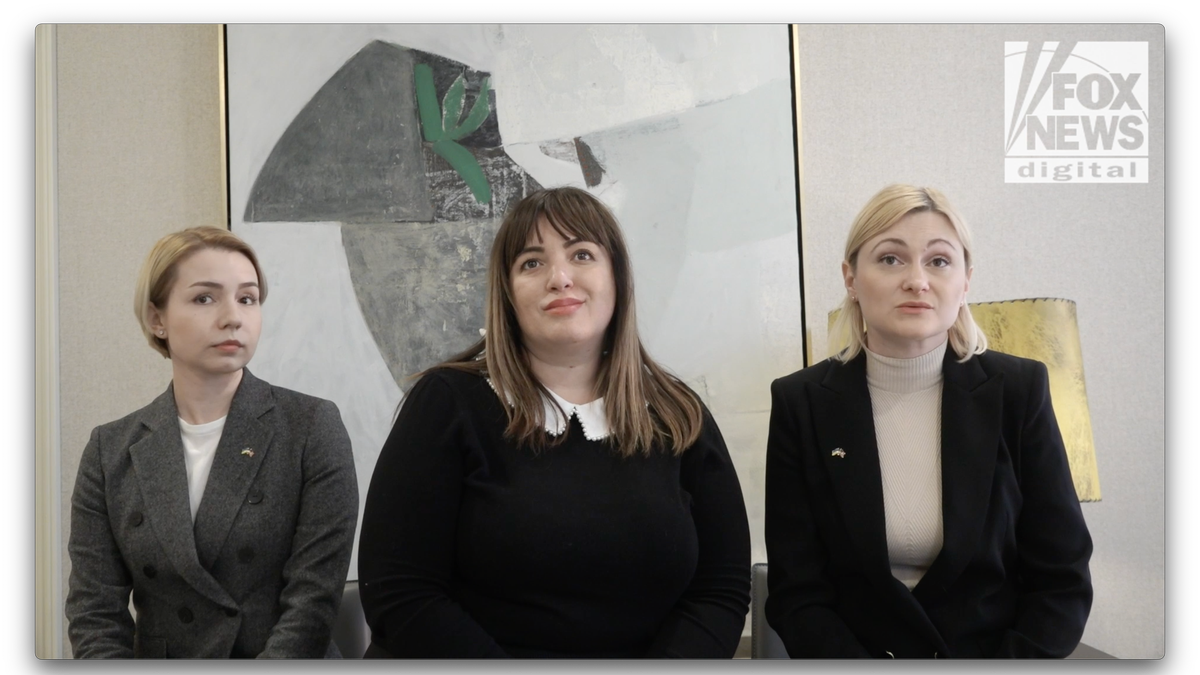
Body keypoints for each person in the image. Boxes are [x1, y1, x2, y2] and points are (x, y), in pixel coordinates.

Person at [358, 187, 751, 658]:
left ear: (617, 278)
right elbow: (400, 591)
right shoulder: (447, 404)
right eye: (532, 263)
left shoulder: (679, 415)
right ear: (507, 295)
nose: (560, 278)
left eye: (581, 254)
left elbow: (720, 589)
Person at [764, 185, 1093, 658]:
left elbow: (1062, 580)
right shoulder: (801, 402)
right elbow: (798, 591)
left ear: (965, 282)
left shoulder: (1018, 391)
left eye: (938, 261)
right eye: (891, 259)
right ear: (850, 278)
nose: (917, 280)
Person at [66, 227, 358, 658]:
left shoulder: (312, 426)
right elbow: (94, 613)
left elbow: (312, 602)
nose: (233, 317)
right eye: (205, 298)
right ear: (156, 318)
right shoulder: (110, 450)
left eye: (247, 298)